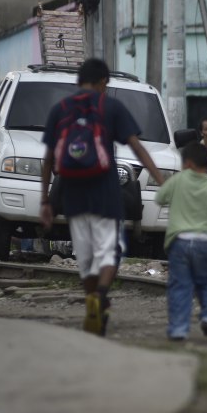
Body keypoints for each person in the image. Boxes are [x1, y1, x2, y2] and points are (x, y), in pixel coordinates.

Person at [40, 58, 166, 336]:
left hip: (73, 196)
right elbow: (137, 147)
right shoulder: (110, 106)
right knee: (108, 254)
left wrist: (45, 201)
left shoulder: (60, 110)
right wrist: (161, 180)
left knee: (85, 258)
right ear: (103, 83)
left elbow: (48, 159)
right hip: (106, 194)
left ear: (78, 81)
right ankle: (100, 296)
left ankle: (90, 302)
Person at [153, 141, 207, 341]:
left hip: (179, 242)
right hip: (205, 242)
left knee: (180, 285)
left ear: (187, 163)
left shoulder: (177, 180)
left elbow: (160, 198)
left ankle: (179, 328)